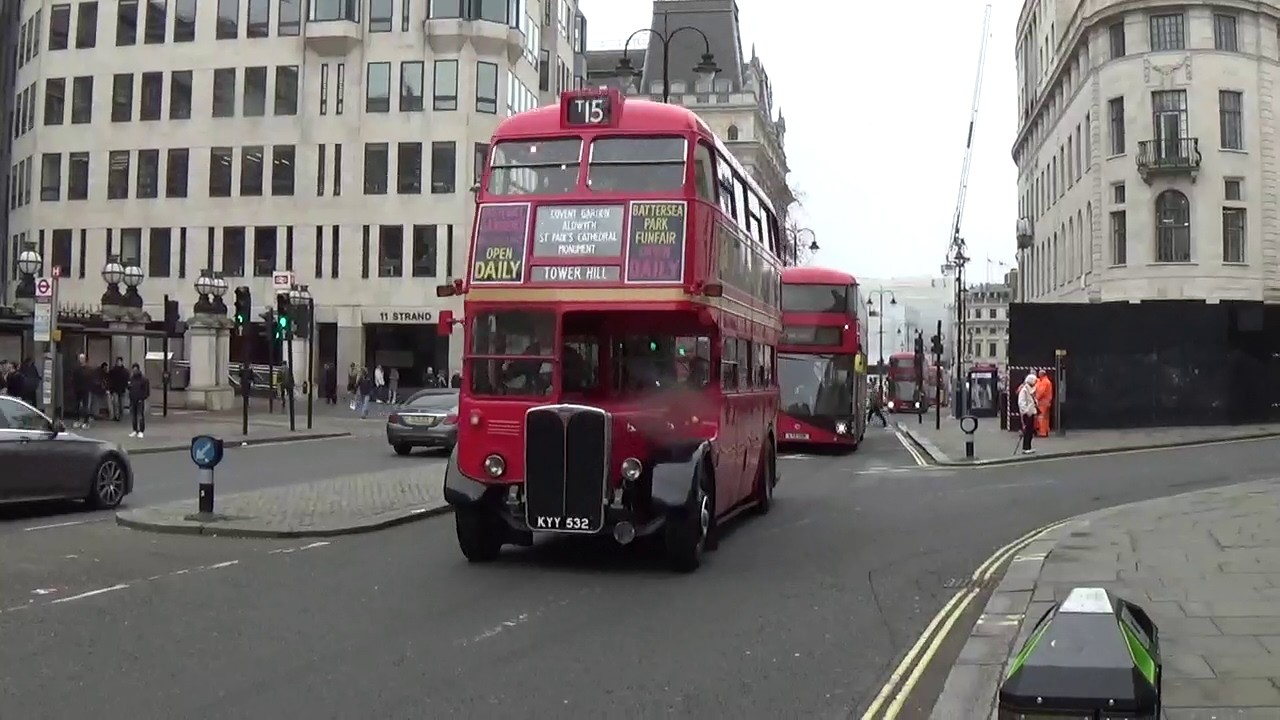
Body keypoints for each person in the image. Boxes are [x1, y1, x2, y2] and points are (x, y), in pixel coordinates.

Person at [127, 363, 150, 438]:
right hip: (133, 399)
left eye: (135, 369)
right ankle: (135, 430)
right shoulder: (131, 379)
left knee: (140, 415)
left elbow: (146, 391)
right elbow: (129, 388)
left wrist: (142, 398)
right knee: (133, 415)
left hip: (140, 400)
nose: (134, 371)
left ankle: (141, 431)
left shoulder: (143, 379)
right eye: (133, 369)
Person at [1017, 373, 1038, 454]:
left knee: (1030, 430)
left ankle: (1028, 447)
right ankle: (1025, 447)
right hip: (1027, 413)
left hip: (1031, 412)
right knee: (1027, 431)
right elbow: (1021, 402)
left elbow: (1032, 400)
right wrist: (1025, 411)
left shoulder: (1030, 389)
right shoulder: (1024, 390)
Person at [71, 354, 93, 428]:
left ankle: (86, 422)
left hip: (85, 389)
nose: (81, 360)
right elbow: (73, 379)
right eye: (80, 359)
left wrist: (89, 388)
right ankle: (77, 421)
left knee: (85, 406)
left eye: (82, 359)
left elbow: (91, 380)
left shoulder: (88, 370)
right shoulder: (76, 369)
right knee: (76, 406)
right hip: (78, 389)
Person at [1034, 369, 1053, 437]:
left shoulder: (1044, 382)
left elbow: (1040, 392)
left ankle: (1042, 432)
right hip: (1047, 402)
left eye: (1039, 374)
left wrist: (1036, 398)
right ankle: (1046, 430)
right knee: (1046, 418)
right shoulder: (1046, 381)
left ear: (1042, 374)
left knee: (1041, 417)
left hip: (1042, 403)